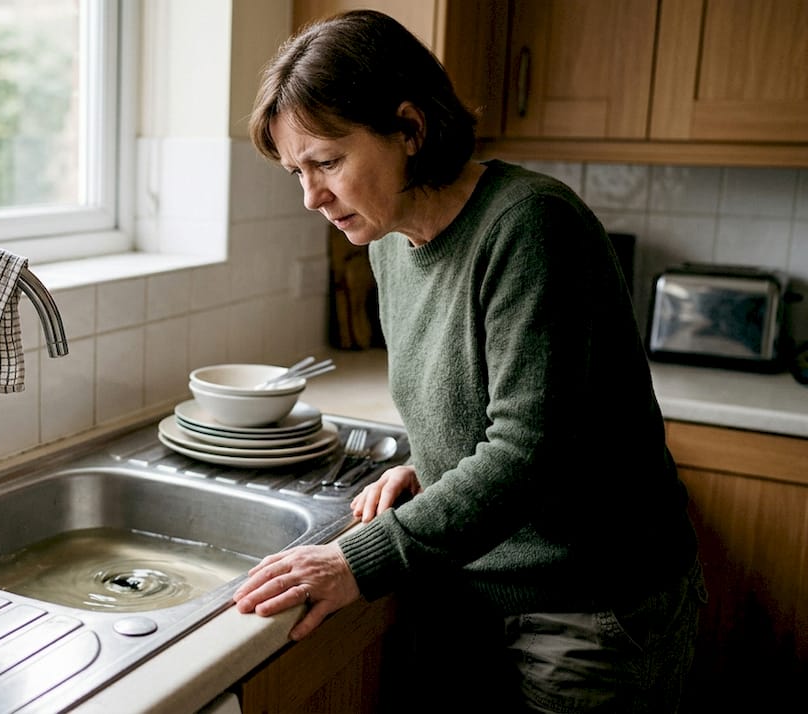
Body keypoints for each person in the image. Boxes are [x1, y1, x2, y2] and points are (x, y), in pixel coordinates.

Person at [232, 10, 706, 713]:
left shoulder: (531, 226)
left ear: (411, 129)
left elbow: (529, 449)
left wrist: (353, 562)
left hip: (589, 608)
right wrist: (431, 461)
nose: (311, 197)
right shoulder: (388, 239)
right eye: (298, 172)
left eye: (327, 162)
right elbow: (481, 402)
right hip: (480, 586)